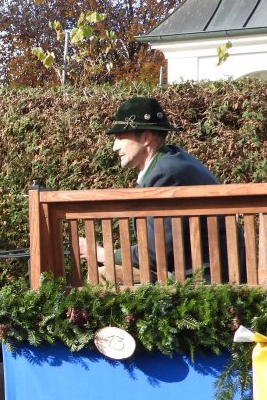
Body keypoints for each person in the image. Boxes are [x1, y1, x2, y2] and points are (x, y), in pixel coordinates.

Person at [80, 96, 221, 280]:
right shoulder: (172, 161)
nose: (114, 147)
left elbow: (156, 255)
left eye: (121, 137)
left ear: (146, 137)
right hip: (207, 271)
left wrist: (103, 254)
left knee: (105, 275)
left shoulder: (165, 176)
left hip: (203, 278)